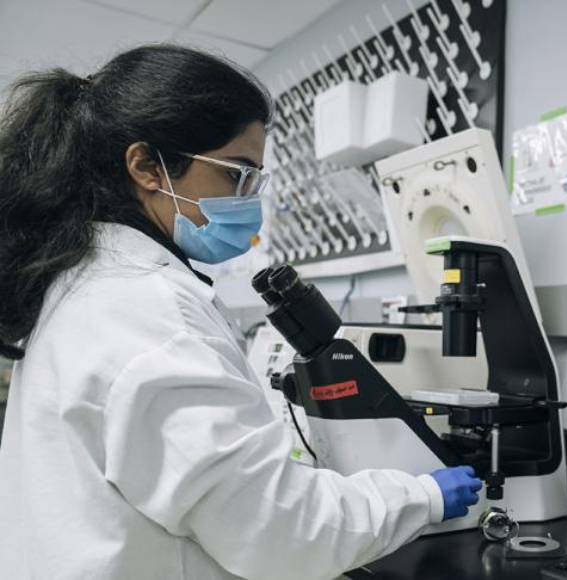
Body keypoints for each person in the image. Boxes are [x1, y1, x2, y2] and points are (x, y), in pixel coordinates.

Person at [0, 44, 482, 580]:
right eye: (236, 173)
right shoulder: (146, 310)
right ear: (146, 166)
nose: (248, 198)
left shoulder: (84, 281)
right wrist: (418, 497)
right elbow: (280, 532)